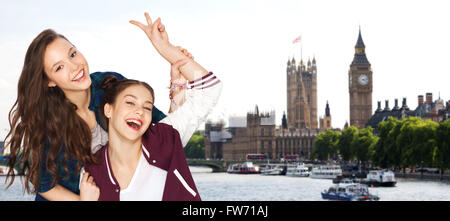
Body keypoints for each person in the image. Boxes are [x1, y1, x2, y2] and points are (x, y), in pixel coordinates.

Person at [5, 12, 218, 201]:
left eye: (72, 54)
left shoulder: (109, 84)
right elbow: (45, 186)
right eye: (59, 67)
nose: (75, 67)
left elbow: (163, 137)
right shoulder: (49, 122)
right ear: (49, 81)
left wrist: (177, 82)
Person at [82, 56, 221, 200]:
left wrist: (165, 47)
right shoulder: (92, 172)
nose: (140, 111)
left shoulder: (164, 139)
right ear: (108, 110)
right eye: (130, 102)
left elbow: (209, 90)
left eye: (147, 107)